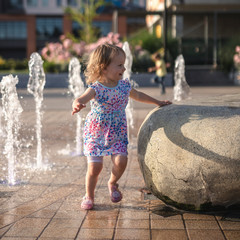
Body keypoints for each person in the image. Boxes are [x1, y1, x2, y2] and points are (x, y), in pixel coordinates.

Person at [72, 43, 172, 210]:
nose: (124, 68)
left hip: (117, 132)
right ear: (103, 68)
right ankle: (89, 195)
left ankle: (112, 182)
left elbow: (138, 95)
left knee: (121, 161)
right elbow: (81, 98)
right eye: (119, 65)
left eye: (124, 64)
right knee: (95, 167)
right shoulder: (96, 88)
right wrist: (77, 104)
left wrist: (158, 102)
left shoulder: (124, 86)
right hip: (96, 133)